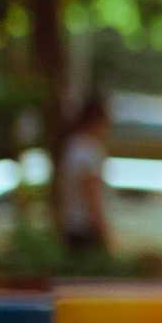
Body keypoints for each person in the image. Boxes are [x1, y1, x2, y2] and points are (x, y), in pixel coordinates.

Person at [57, 96, 114, 256]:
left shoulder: (72, 146)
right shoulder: (89, 149)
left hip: (72, 225)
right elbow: (90, 191)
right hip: (86, 228)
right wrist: (104, 230)